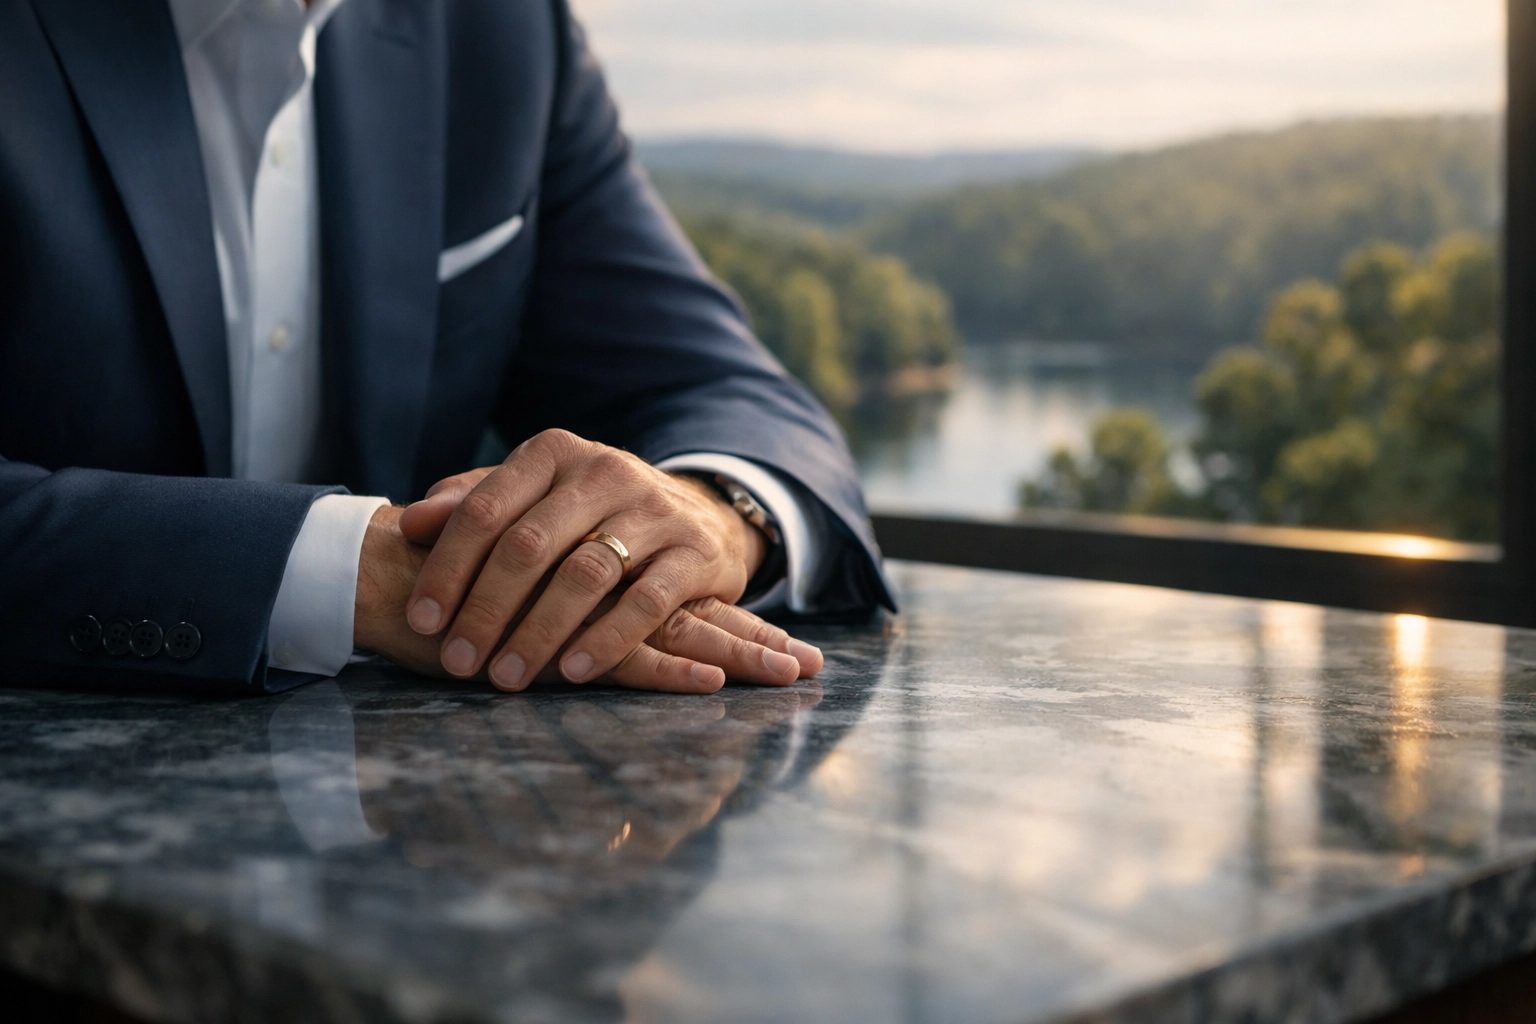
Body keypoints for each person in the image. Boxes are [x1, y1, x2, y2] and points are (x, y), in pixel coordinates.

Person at [0, 0, 893, 695]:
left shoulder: (501, 28)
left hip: (392, 853)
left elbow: (717, 380)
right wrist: (354, 573)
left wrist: (702, 515)